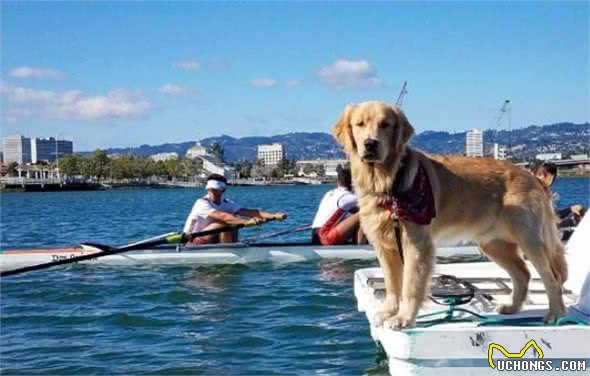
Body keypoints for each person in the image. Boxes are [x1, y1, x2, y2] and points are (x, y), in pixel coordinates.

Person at [183, 174, 286, 244]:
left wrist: (274, 216)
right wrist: (247, 221)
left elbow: (251, 212)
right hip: (193, 241)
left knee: (232, 220)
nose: (212, 193)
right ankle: (229, 249)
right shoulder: (201, 203)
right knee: (225, 222)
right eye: (211, 190)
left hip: (212, 239)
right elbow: (223, 216)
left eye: (215, 190)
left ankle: (230, 246)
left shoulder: (227, 203)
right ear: (208, 189)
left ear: (223, 190)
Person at [530, 161, 585, 240]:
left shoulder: (539, 192)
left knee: (578, 213)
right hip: (545, 236)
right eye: (539, 175)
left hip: (544, 231)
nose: (538, 178)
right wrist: (570, 209)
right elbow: (550, 218)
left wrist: (571, 209)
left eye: (540, 175)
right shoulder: (537, 195)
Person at [311, 167, 365, 245]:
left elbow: (351, 210)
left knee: (357, 214)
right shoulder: (349, 197)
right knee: (365, 213)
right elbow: (370, 208)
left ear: (338, 182)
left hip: (315, 236)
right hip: (325, 237)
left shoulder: (329, 193)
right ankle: (361, 246)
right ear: (352, 182)